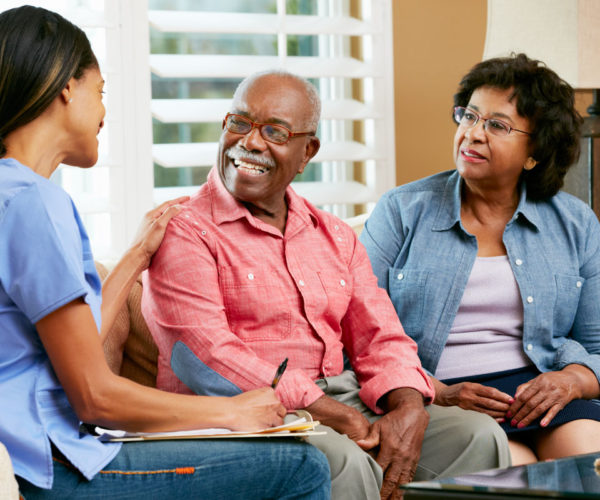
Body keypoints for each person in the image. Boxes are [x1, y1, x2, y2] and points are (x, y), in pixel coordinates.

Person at [0, 6, 331, 499]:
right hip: (48, 468)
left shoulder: (12, 193)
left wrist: (135, 255)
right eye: (101, 91)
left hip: (32, 453)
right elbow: (94, 396)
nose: (105, 113)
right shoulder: (34, 203)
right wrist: (230, 411)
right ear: (66, 87)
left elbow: (75, 351)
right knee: (300, 466)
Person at [142, 69, 511, 500]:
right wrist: (333, 414)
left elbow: (381, 336)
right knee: (342, 459)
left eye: (275, 132)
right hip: (246, 416)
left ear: (307, 151)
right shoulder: (185, 230)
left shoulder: (333, 234)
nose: (251, 142)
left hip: (342, 399)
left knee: (476, 437)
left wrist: (408, 406)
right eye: (239, 123)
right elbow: (205, 358)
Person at [360, 53, 600, 466]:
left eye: (496, 125)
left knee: (588, 458)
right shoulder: (402, 211)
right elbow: (358, 333)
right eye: (469, 116)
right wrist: (435, 390)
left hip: (538, 394)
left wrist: (573, 379)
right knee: (514, 469)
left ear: (535, 152)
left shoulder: (575, 222)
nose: (472, 134)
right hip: (440, 393)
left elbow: (597, 344)